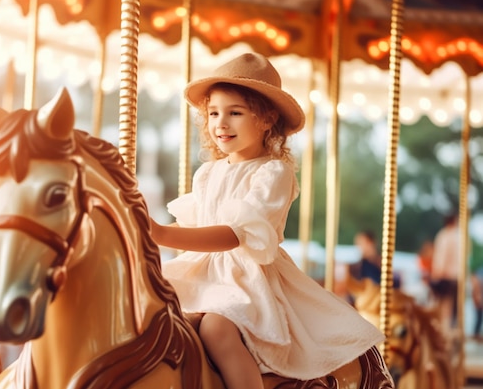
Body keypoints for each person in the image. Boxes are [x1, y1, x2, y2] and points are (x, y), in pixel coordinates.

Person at [150, 52, 384, 389]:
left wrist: (158, 232)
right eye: (213, 113)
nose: (221, 123)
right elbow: (196, 229)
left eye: (235, 113)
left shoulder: (273, 172)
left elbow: (233, 235)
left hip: (248, 279)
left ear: (266, 119)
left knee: (217, 328)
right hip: (202, 272)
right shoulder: (207, 174)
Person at [430, 213, 460, 334]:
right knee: (451, 308)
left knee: (444, 307)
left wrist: (436, 274)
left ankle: (443, 332)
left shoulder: (444, 235)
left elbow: (441, 258)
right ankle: (447, 331)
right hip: (454, 276)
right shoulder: (458, 236)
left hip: (445, 275)